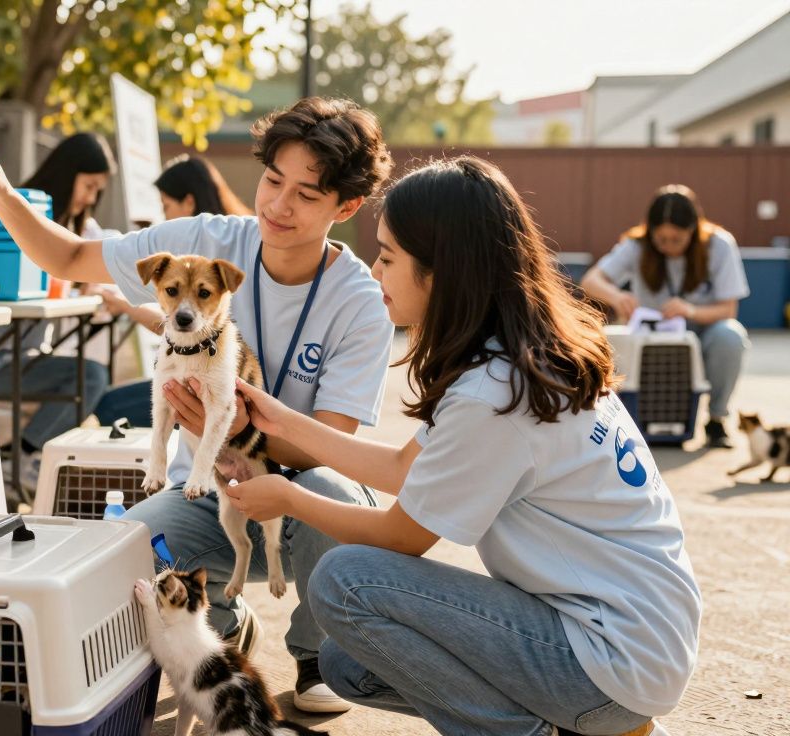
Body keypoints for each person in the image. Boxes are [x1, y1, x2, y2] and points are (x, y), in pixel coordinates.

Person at [227, 157, 700, 735]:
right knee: (347, 664)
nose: (375, 271)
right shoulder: (519, 357)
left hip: (609, 661)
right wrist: (280, 421)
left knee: (343, 581)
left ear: (441, 272)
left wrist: (288, 498)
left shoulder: (493, 393)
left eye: (388, 257)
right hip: (636, 640)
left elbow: (402, 536)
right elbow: (405, 468)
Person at [0, 97, 396, 712]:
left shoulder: (360, 302)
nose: (278, 205)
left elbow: (331, 442)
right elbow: (71, 257)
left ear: (346, 207)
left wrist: (237, 428)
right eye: (273, 180)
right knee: (122, 556)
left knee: (335, 493)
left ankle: (315, 654)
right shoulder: (204, 240)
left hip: (303, 493)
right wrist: (2, 195)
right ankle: (224, 621)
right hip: (206, 492)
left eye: (306, 194)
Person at [0, 133, 118, 492]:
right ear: (67, 173)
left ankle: (21, 455)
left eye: (97, 191)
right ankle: (22, 456)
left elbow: (101, 257)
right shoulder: (18, 215)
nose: (91, 198)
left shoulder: (76, 225)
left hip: (24, 354)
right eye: (88, 186)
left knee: (91, 376)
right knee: (90, 377)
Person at [580, 185, 750, 448]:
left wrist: (690, 310)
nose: (669, 246)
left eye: (677, 239)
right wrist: (617, 296)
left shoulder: (719, 245)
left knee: (730, 335)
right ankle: (624, 418)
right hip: (652, 337)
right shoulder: (637, 245)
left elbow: (728, 310)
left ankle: (716, 418)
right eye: (661, 239)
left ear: (693, 230)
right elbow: (591, 280)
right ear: (650, 231)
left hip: (703, 331)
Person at [92, 154, 254, 428]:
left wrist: (125, 305)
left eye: (166, 206)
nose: (163, 216)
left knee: (110, 405)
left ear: (189, 202)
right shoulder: (239, 241)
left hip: (215, 386)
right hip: (231, 379)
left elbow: (181, 329)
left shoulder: (205, 263)